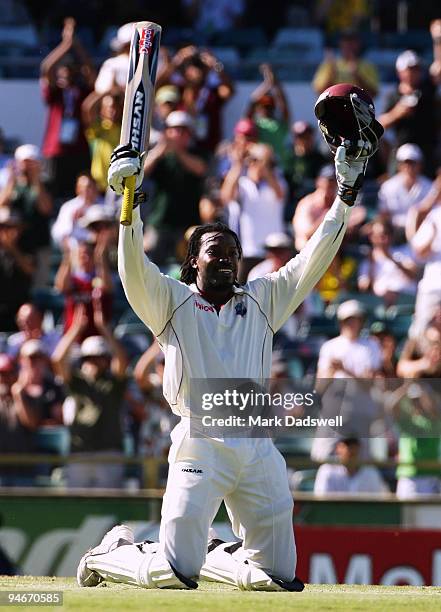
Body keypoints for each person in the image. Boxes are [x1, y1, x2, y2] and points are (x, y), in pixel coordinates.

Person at [75, 134, 369, 591]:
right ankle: (113, 553)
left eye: (234, 252)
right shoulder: (172, 301)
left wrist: (345, 197)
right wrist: (127, 209)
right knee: (174, 572)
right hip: (201, 442)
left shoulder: (263, 300)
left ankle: (215, 552)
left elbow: (313, 257)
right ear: (193, 263)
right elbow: (133, 272)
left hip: (256, 447)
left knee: (279, 577)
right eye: (216, 251)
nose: (229, 258)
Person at [52, 301, 128, 488]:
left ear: (106, 360)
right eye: (88, 358)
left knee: (109, 507)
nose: (93, 362)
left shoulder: (113, 383)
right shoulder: (77, 383)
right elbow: (57, 360)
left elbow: (122, 360)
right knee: (77, 507)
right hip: (79, 452)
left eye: (99, 357)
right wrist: (76, 330)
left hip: (109, 453)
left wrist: (103, 328)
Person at [142, 110, 208, 266]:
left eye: (182, 131)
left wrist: (177, 151)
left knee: (187, 266)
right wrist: (161, 148)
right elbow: (142, 172)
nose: (177, 134)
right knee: (152, 266)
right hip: (160, 222)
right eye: (173, 130)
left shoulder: (196, 153)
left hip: (187, 224)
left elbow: (200, 168)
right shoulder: (161, 157)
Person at [40, 17, 95, 199]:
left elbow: (91, 72)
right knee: (53, 191)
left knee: (77, 190)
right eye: (62, 72)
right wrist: (66, 44)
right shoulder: (55, 93)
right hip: (55, 149)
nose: (65, 76)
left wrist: (76, 46)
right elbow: (47, 67)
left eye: (69, 71)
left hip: (78, 148)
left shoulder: (81, 91)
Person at [221, 142, 287, 283]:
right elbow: (226, 196)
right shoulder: (243, 184)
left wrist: (265, 165)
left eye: (257, 161)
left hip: (274, 251)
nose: (255, 164)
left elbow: (280, 194)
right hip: (248, 251)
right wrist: (237, 165)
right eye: (252, 161)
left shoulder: (279, 182)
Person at [0, 144, 53, 287]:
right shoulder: (13, 185)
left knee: (39, 286)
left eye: (30, 162)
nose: (26, 166)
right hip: (16, 245)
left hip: (39, 243)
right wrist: (11, 179)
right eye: (24, 162)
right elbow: (2, 204)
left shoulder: (45, 184)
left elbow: (45, 208)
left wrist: (36, 178)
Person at [379, 50, 438, 176]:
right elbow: (379, 124)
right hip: (402, 150)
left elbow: (437, 69)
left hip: (426, 152)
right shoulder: (393, 95)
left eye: (416, 69)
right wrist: (397, 113)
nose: (413, 73)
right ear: (400, 72)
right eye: (409, 69)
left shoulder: (427, 89)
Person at [358, 217, 418, 306]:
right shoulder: (368, 260)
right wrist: (371, 264)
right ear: (372, 237)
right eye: (379, 236)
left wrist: (390, 258)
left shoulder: (404, 252)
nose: (383, 239)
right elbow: (363, 288)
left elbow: (413, 275)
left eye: (386, 234)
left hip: (405, 300)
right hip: (379, 302)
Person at [377, 144, 432, 241]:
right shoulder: (388, 187)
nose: (409, 166)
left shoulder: (429, 186)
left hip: (422, 234)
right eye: (405, 162)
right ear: (399, 165)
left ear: (420, 165)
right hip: (393, 236)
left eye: (413, 163)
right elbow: (383, 215)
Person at [246, 64, 291, 169]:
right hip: (259, 168)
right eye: (263, 106)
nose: (266, 109)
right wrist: (267, 84)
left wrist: (275, 83)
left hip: (279, 169)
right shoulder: (254, 124)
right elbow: (252, 103)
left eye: (269, 106)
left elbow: (284, 104)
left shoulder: (280, 125)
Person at [313, 30, 378, 98]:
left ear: (358, 44)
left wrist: (357, 76)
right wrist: (331, 74)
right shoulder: (330, 64)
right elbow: (319, 91)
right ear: (340, 43)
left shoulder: (368, 65)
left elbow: (373, 94)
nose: (349, 45)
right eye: (346, 41)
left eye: (352, 41)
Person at [314, 437, 388, 494]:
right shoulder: (327, 471)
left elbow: (381, 501)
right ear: (338, 448)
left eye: (354, 446)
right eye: (347, 445)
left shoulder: (371, 473)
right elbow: (322, 504)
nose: (351, 449)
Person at [0, 209, 34, 332]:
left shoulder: (26, 247)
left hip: (20, 309)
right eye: (3, 227)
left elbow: (29, 269)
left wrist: (12, 248)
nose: (6, 231)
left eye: (11, 227)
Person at [51, 173, 103, 247]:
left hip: (99, 248)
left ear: (96, 188)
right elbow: (57, 233)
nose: (85, 190)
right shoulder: (68, 207)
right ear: (77, 189)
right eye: (82, 187)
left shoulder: (104, 205)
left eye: (89, 187)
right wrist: (72, 221)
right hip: (75, 250)